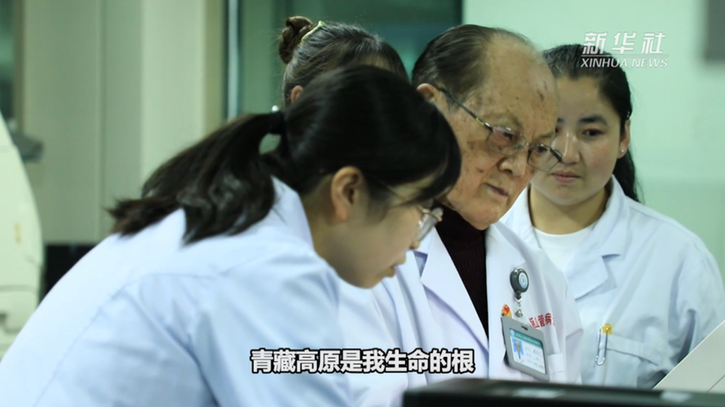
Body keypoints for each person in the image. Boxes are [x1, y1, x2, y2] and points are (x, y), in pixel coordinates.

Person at [0, 65, 462, 407]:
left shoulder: (224, 225)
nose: (418, 239)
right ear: (349, 192)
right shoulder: (270, 268)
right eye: (421, 209)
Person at [337, 25, 586, 407]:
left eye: (537, 149)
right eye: (504, 135)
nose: (518, 167)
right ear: (429, 108)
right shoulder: (352, 262)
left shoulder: (541, 280)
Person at [502, 44, 725, 389]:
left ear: (624, 137)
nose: (567, 153)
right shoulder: (483, 238)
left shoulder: (679, 260)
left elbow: (715, 388)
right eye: (552, 130)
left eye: (591, 132)